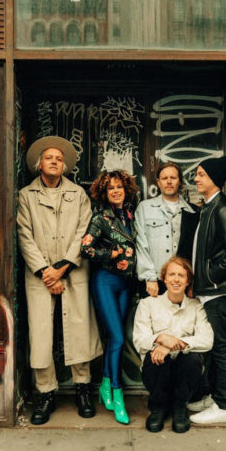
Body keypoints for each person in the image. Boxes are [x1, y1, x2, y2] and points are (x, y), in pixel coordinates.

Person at [17, 136, 103, 425]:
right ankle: (46, 393)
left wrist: (62, 267)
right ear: (39, 164)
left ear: (64, 166)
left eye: (58, 158)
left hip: (73, 270)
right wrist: (45, 271)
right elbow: (24, 235)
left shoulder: (78, 194)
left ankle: (83, 388)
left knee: (79, 327)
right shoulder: (26, 195)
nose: (54, 161)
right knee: (41, 331)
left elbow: (84, 232)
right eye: (48, 158)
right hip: (40, 275)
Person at [189, 155, 226, 425]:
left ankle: (223, 406)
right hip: (210, 292)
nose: (196, 179)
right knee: (213, 347)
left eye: (201, 174)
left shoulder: (222, 209)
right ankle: (214, 396)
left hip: (219, 293)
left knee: (221, 348)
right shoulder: (209, 207)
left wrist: (210, 276)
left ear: (214, 179)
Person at [81, 169, 139, 425]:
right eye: (111, 188)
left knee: (116, 338)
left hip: (126, 284)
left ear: (126, 189)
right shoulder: (100, 218)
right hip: (105, 281)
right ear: (104, 193)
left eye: (119, 187)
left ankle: (105, 382)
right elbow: (86, 249)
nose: (116, 191)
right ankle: (118, 395)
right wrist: (111, 255)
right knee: (116, 337)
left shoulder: (130, 215)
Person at [133, 256, 213, 433]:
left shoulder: (196, 306)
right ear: (164, 279)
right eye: (171, 275)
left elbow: (207, 340)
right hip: (157, 372)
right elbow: (139, 340)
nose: (176, 279)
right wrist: (160, 338)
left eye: (181, 275)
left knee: (192, 358)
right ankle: (158, 407)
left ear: (188, 281)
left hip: (183, 375)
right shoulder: (148, 304)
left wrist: (173, 344)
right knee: (156, 356)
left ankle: (179, 406)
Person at [134, 162, 199, 298]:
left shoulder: (193, 212)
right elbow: (141, 244)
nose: (169, 182)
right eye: (164, 178)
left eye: (173, 178)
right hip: (155, 282)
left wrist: (192, 283)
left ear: (179, 181)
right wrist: (149, 277)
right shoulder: (145, 208)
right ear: (158, 182)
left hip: (181, 283)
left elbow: (195, 251)